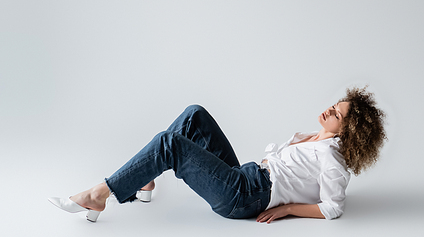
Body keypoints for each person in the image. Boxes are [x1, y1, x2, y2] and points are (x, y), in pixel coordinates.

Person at [48, 86, 387, 224]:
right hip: (245, 177)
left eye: (337, 114)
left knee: (170, 144)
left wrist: (287, 209)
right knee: (195, 115)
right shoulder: (313, 136)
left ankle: (99, 195)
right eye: (335, 105)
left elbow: (333, 207)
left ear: (347, 131)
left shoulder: (333, 159)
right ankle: (146, 178)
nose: (329, 110)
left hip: (245, 197)